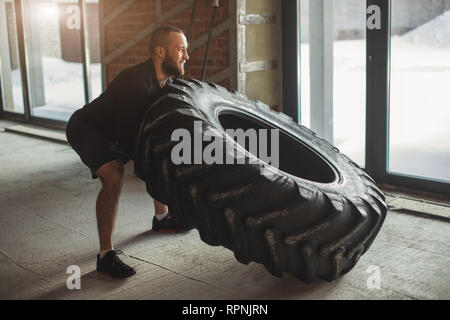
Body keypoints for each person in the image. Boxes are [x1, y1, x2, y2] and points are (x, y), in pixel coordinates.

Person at [66, 25, 190, 278]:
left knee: (160, 151)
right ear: (160, 51)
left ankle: (161, 219)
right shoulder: (135, 85)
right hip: (86, 128)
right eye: (180, 49)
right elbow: (136, 145)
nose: (186, 56)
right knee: (114, 173)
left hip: (114, 128)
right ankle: (105, 256)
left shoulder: (167, 79)